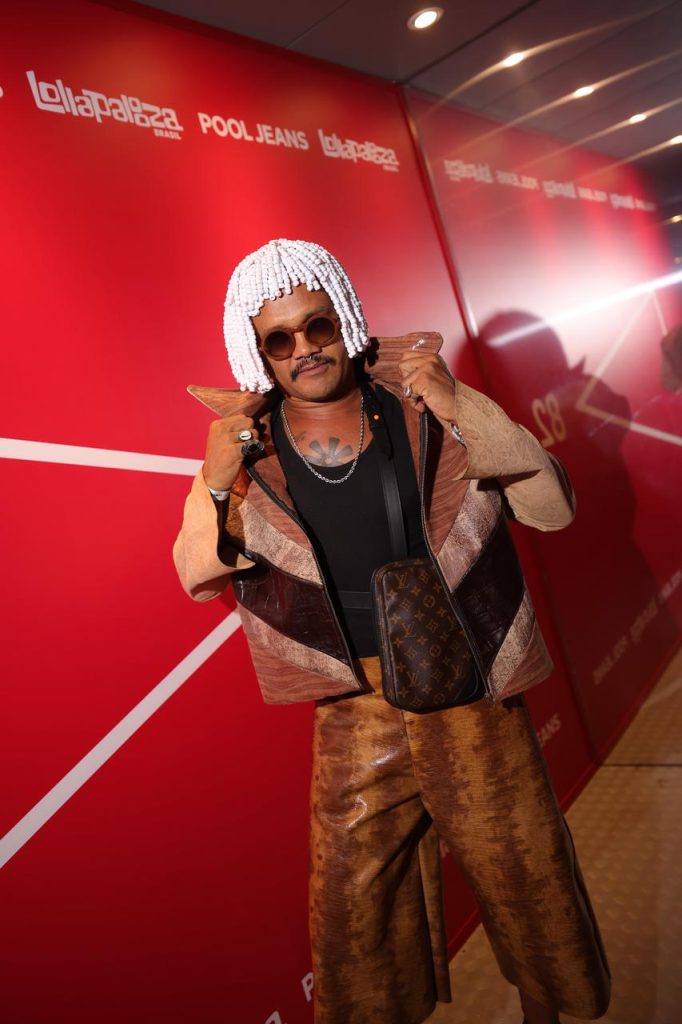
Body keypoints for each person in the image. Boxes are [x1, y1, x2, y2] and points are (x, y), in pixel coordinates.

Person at [173, 239, 610, 1024]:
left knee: (526, 880)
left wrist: (461, 406)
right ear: (258, 353)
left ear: (344, 317)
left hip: (470, 686)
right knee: (354, 920)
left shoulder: (420, 402)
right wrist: (215, 479)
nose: (305, 349)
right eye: (280, 339)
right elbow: (197, 573)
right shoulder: (244, 448)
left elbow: (552, 509)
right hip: (354, 705)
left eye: (318, 326)